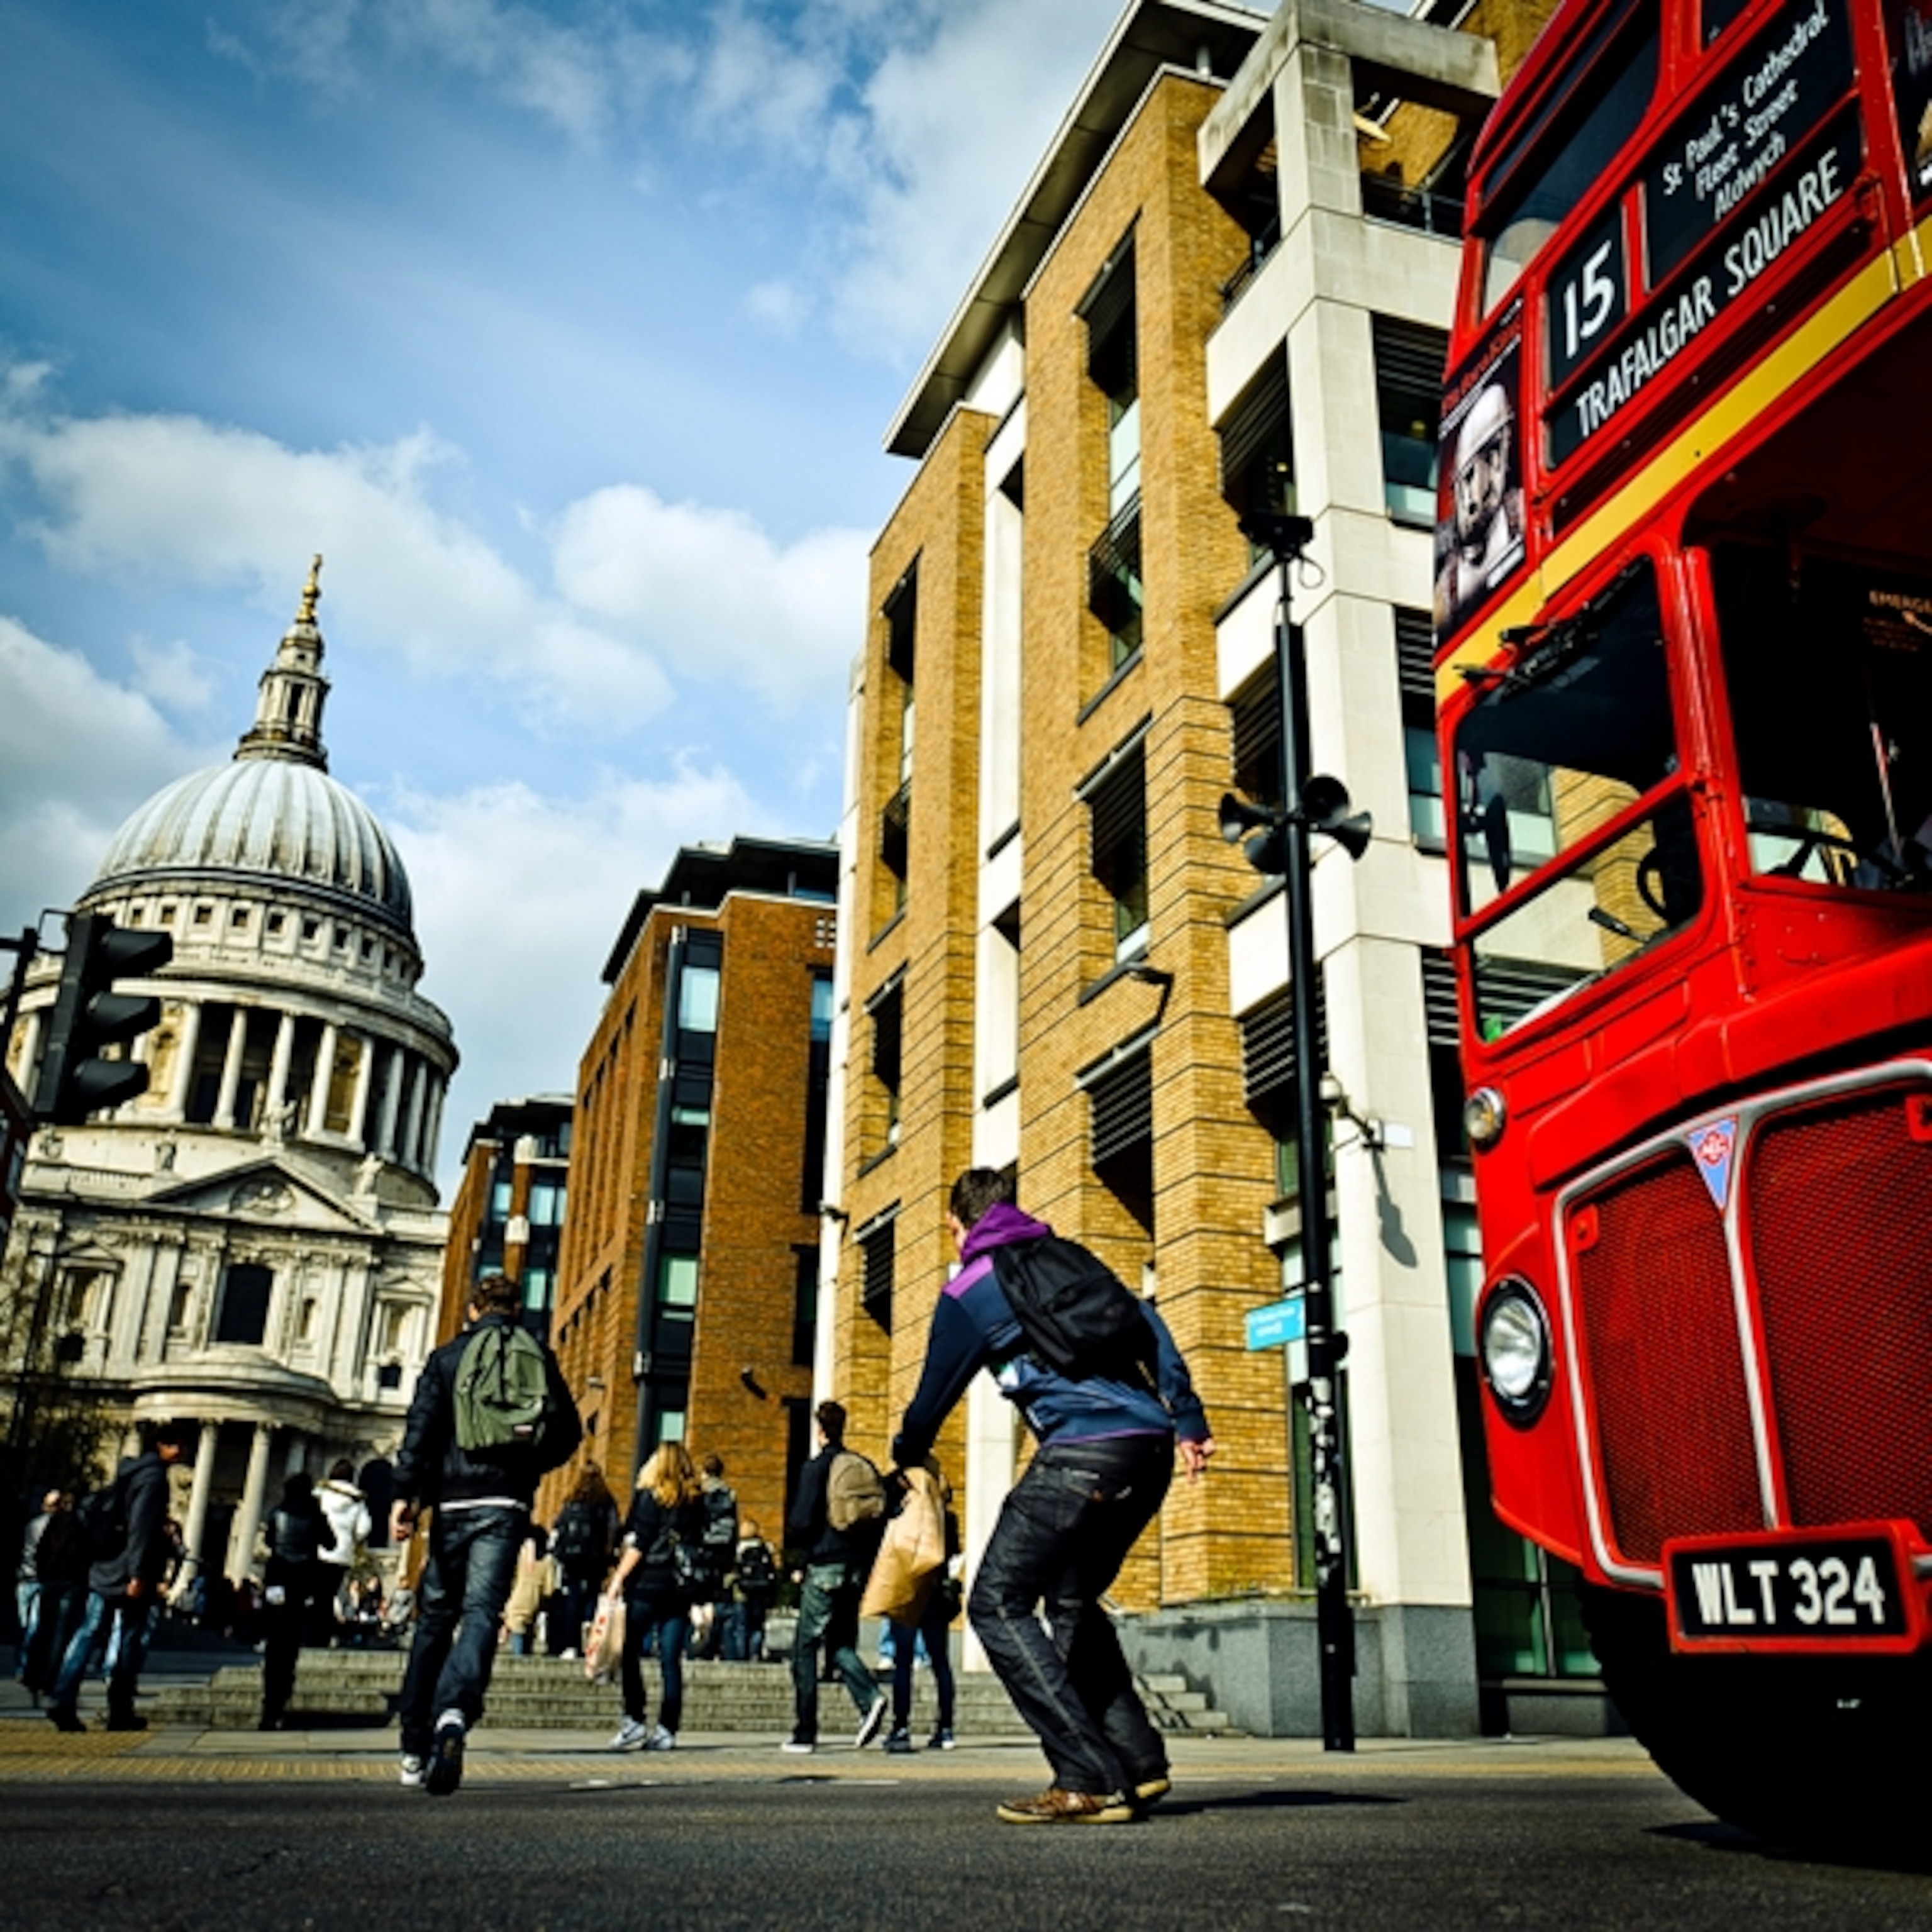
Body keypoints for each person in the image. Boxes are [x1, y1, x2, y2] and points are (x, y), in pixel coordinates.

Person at [893, 1169, 1216, 1824]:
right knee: (1068, 1596)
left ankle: (1086, 1775)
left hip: (1082, 1457)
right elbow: (1149, 1323)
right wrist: (1186, 1418)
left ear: (959, 1222)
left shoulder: (970, 1290)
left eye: (951, 1228)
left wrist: (905, 1454)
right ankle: (1137, 1763)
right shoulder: (1069, 1259)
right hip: (1148, 1449)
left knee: (995, 1603)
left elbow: (931, 1399)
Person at [391, 1274, 581, 1795]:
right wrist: (528, 1468)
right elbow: (568, 1430)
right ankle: (454, 1713)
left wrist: (406, 1496)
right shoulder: (536, 1354)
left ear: (474, 1309)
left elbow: (420, 1432)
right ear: (516, 1310)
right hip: (507, 1503)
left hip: (451, 1502)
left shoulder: (447, 1358)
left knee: (434, 1618)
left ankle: (412, 1745)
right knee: (481, 1613)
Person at [47, 1419, 199, 1733]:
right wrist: (138, 1573)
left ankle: (62, 1698)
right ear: (165, 1446)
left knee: (88, 1632)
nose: (185, 1450)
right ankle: (120, 1709)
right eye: (181, 1444)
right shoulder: (153, 1478)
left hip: (105, 1565)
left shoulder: (129, 1471)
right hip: (129, 1570)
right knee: (130, 1640)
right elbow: (141, 1528)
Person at [783, 1400, 887, 1755]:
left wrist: (800, 1551)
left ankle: (805, 1731)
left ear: (820, 1430)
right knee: (840, 1643)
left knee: (806, 1647)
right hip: (856, 1566)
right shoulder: (860, 1465)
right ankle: (869, 1698)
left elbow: (800, 1521)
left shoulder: (816, 1468)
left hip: (824, 1564)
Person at [608, 1443, 706, 1752]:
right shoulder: (696, 1500)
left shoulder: (649, 1498)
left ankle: (634, 1719)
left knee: (630, 1650)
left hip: (648, 1583)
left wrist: (618, 1578)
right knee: (670, 1661)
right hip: (680, 1588)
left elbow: (640, 1543)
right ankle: (667, 1729)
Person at [882, 1477, 960, 1755]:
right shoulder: (946, 1518)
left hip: (909, 1592)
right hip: (935, 1593)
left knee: (903, 1662)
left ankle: (901, 1726)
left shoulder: (906, 1518)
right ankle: (946, 1727)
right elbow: (950, 1554)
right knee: (940, 1661)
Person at [258, 1471, 339, 1730]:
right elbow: (331, 1543)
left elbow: (270, 1540)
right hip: (302, 1583)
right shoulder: (314, 1516)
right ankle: (280, 1701)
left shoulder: (277, 1513)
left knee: (275, 1644)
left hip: (277, 1580)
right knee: (290, 1645)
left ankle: (269, 1706)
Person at [548, 1464, 619, 1659]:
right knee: (593, 1594)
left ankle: (571, 1643)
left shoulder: (572, 1499)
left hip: (572, 1558)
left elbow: (558, 1526)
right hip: (596, 1557)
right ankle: (589, 1622)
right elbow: (614, 1528)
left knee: (572, 1597)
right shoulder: (606, 1500)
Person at [23, 1493, 88, 1698]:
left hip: (48, 1581)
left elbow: (38, 1551)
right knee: (61, 1632)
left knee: (42, 1628)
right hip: (69, 1582)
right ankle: (50, 1677)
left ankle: (33, 1674)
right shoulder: (80, 1525)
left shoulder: (45, 1525)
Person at [315, 1459, 372, 1641]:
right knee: (330, 1595)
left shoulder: (321, 1493)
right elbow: (364, 1528)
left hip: (318, 1549)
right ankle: (323, 1634)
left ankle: (309, 1633)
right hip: (342, 1553)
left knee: (315, 1594)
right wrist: (352, 1538)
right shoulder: (356, 1500)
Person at [690, 1453, 738, 1660]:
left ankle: (700, 1626)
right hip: (723, 1548)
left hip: (703, 1545)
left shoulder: (700, 1491)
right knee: (717, 1594)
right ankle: (713, 1640)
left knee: (697, 1592)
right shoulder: (730, 1493)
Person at [13, 1490, 57, 1682]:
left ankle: (22, 1666)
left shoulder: (32, 1524)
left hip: (25, 1578)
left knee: (25, 1626)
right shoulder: (54, 1527)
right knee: (34, 1626)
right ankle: (29, 1666)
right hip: (41, 1579)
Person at [730, 1517, 779, 1663]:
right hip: (761, 1592)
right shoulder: (766, 1548)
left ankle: (741, 1655)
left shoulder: (739, 1549)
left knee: (741, 1626)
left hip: (743, 1592)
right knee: (757, 1625)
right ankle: (755, 1653)